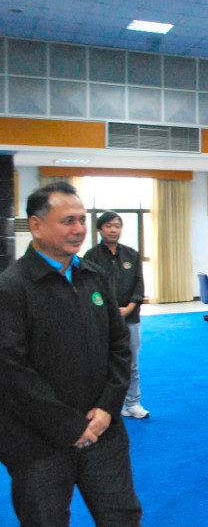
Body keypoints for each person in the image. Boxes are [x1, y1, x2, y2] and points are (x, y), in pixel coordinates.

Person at [0, 182, 142, 526]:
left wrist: (107, 408)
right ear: (36, 225)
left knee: (122, 517)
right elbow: (10, 371)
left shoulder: (94, 277)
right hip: (38, 442)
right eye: (67, 221)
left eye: (81, 220)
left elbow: (119, 347)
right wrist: (70, 426)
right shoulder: (12, 287)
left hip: (103, 431)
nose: (78, 229)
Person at [84, 211, 150, 419]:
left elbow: (139, 284)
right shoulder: (91, 257)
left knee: (132, 363)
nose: (113, 230)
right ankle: (106, 405)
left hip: (130, 318)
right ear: (100, 229)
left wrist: (129, 307)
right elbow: (89, 289)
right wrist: (107, 310)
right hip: (102, 320)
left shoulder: (131, 254)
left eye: (117, 226)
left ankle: (132, 403)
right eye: (109, 226)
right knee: (102, 363)